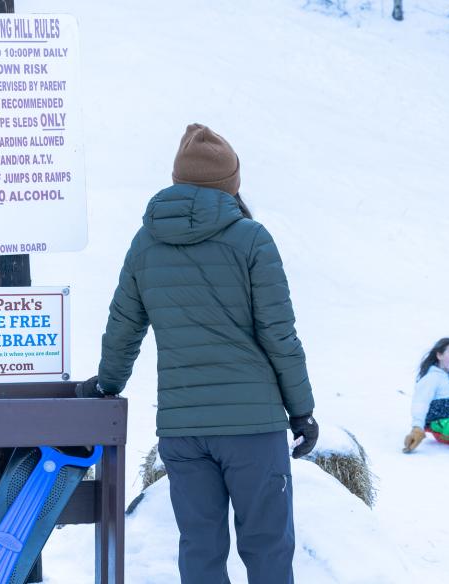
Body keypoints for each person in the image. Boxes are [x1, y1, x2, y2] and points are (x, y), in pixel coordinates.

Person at [79, 123, 318, 584]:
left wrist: (108, 383)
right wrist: (302, 410)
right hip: (253, 427)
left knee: (200, 549)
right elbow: (279, 334)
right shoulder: (251, 239)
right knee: (267, 545)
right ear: (231, 184)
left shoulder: (146, 243)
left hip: (184, 430)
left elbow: (123, 326)